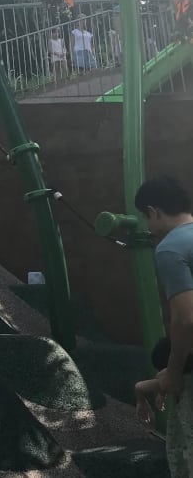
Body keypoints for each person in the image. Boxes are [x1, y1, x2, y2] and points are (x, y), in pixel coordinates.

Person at [134, 176, 193, 477]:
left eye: (146, 218)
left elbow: (185, 319)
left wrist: (173, 372)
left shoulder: (170, 248)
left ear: (154, 211)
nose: (148, 227)